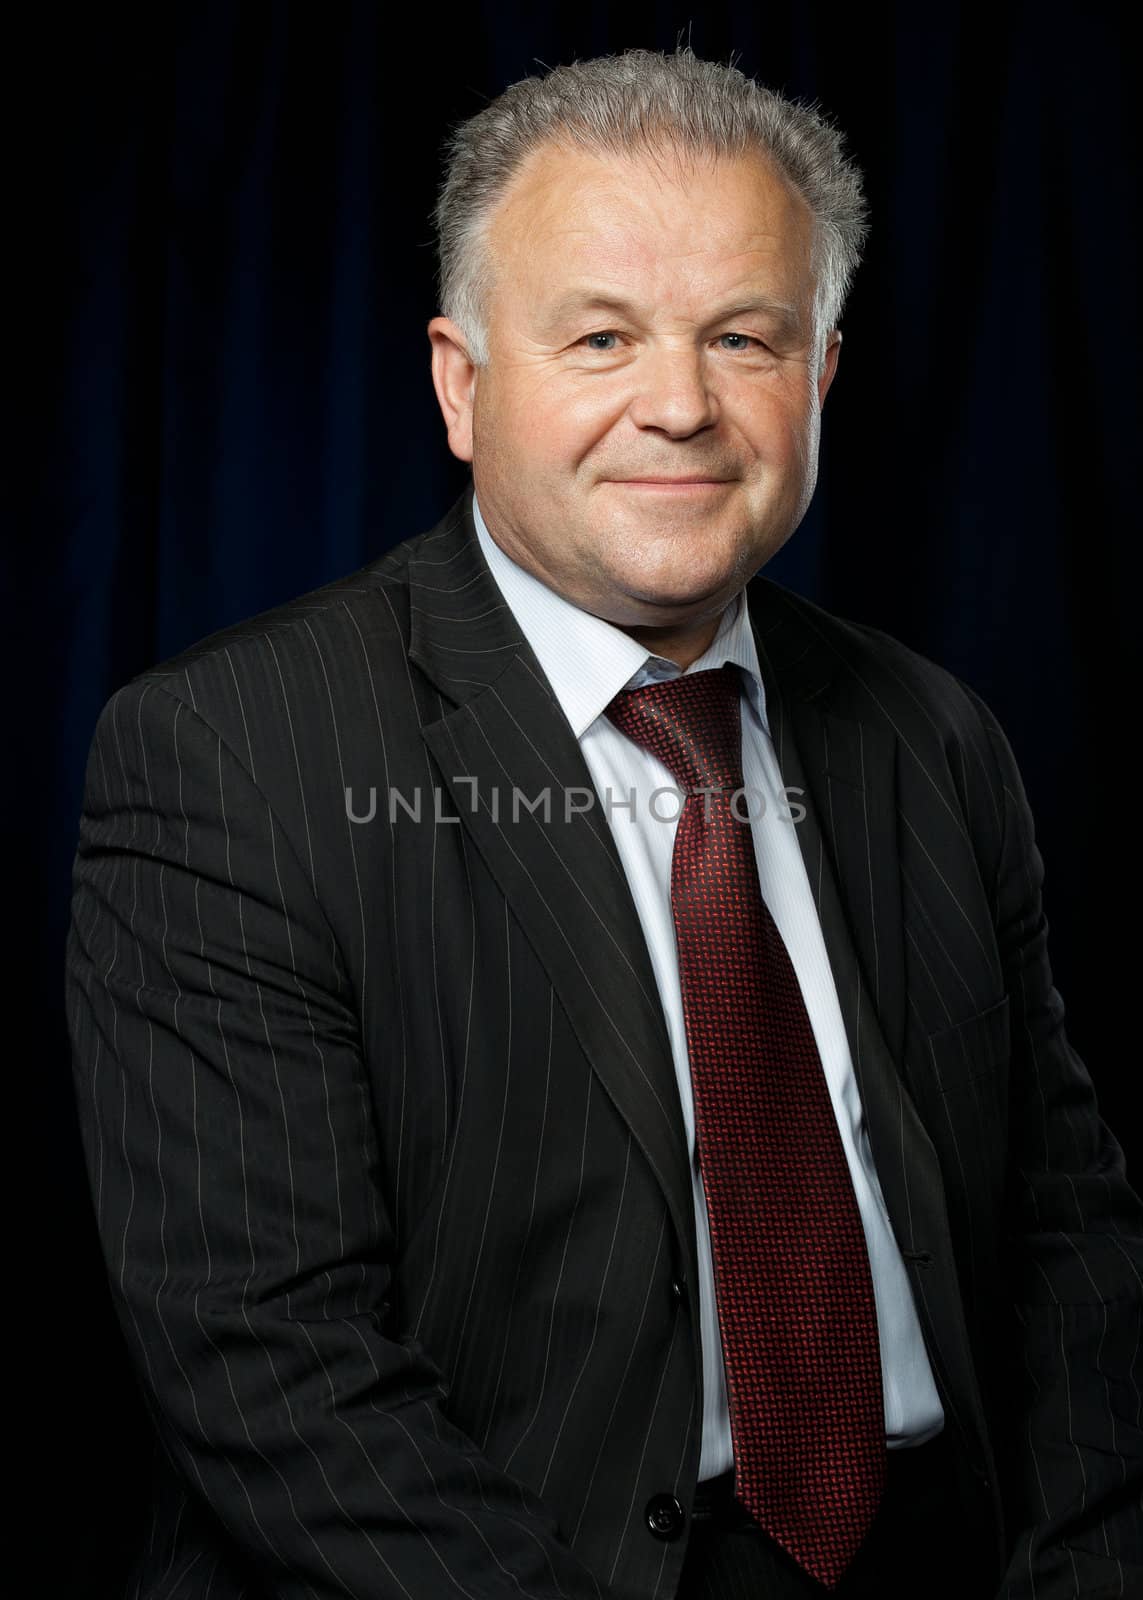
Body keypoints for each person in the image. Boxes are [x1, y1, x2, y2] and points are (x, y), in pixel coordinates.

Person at [65, 44, 1141, 1600]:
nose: (682, 406)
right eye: (600, 337)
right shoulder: (232, 756)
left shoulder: (932, 735)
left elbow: (1075, 1253)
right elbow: (272, 1365)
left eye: (745, 338)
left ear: (820, 376)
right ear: (462, 382)